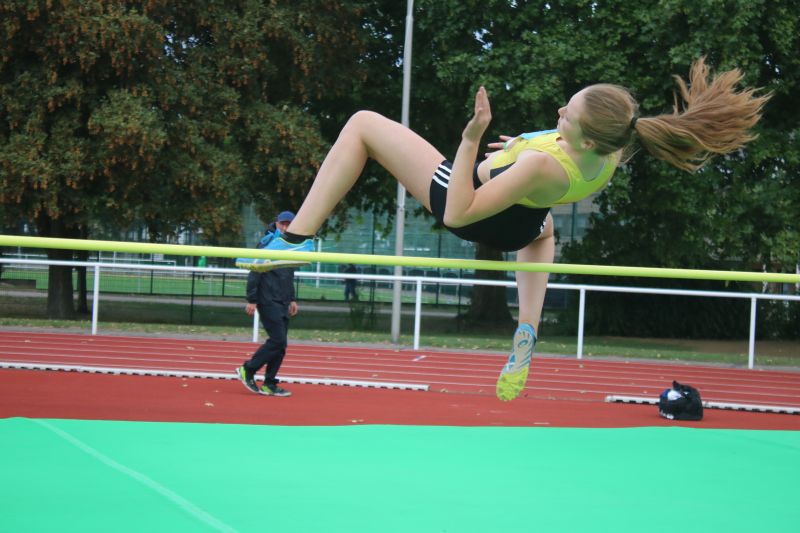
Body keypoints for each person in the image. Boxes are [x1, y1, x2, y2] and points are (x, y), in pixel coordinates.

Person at [236, 58, 769, 401]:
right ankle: (527, 329)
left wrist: (472, 139)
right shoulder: (609, 154)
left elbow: (458, 215)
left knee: (362, 125)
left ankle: (294, 240)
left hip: (465, 195)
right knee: (543, 234)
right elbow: (552, 146)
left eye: (567, 116)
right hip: (526, 222)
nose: (560, 111)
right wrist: (520, 145)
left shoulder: (545, 165)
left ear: (583, 139)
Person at [235, 210, 299, 397]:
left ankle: (269, 383)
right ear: (277, 223)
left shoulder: (291, 246)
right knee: (277, 340)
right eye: (283, 224)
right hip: (267, 299)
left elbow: (288, 275)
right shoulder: (267, 243)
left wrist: (292, 298)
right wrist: (252, 300)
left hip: (283, 300)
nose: (286, 227)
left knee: (281, 344)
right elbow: (255, 272)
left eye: (289, 224)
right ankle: (248, 369)